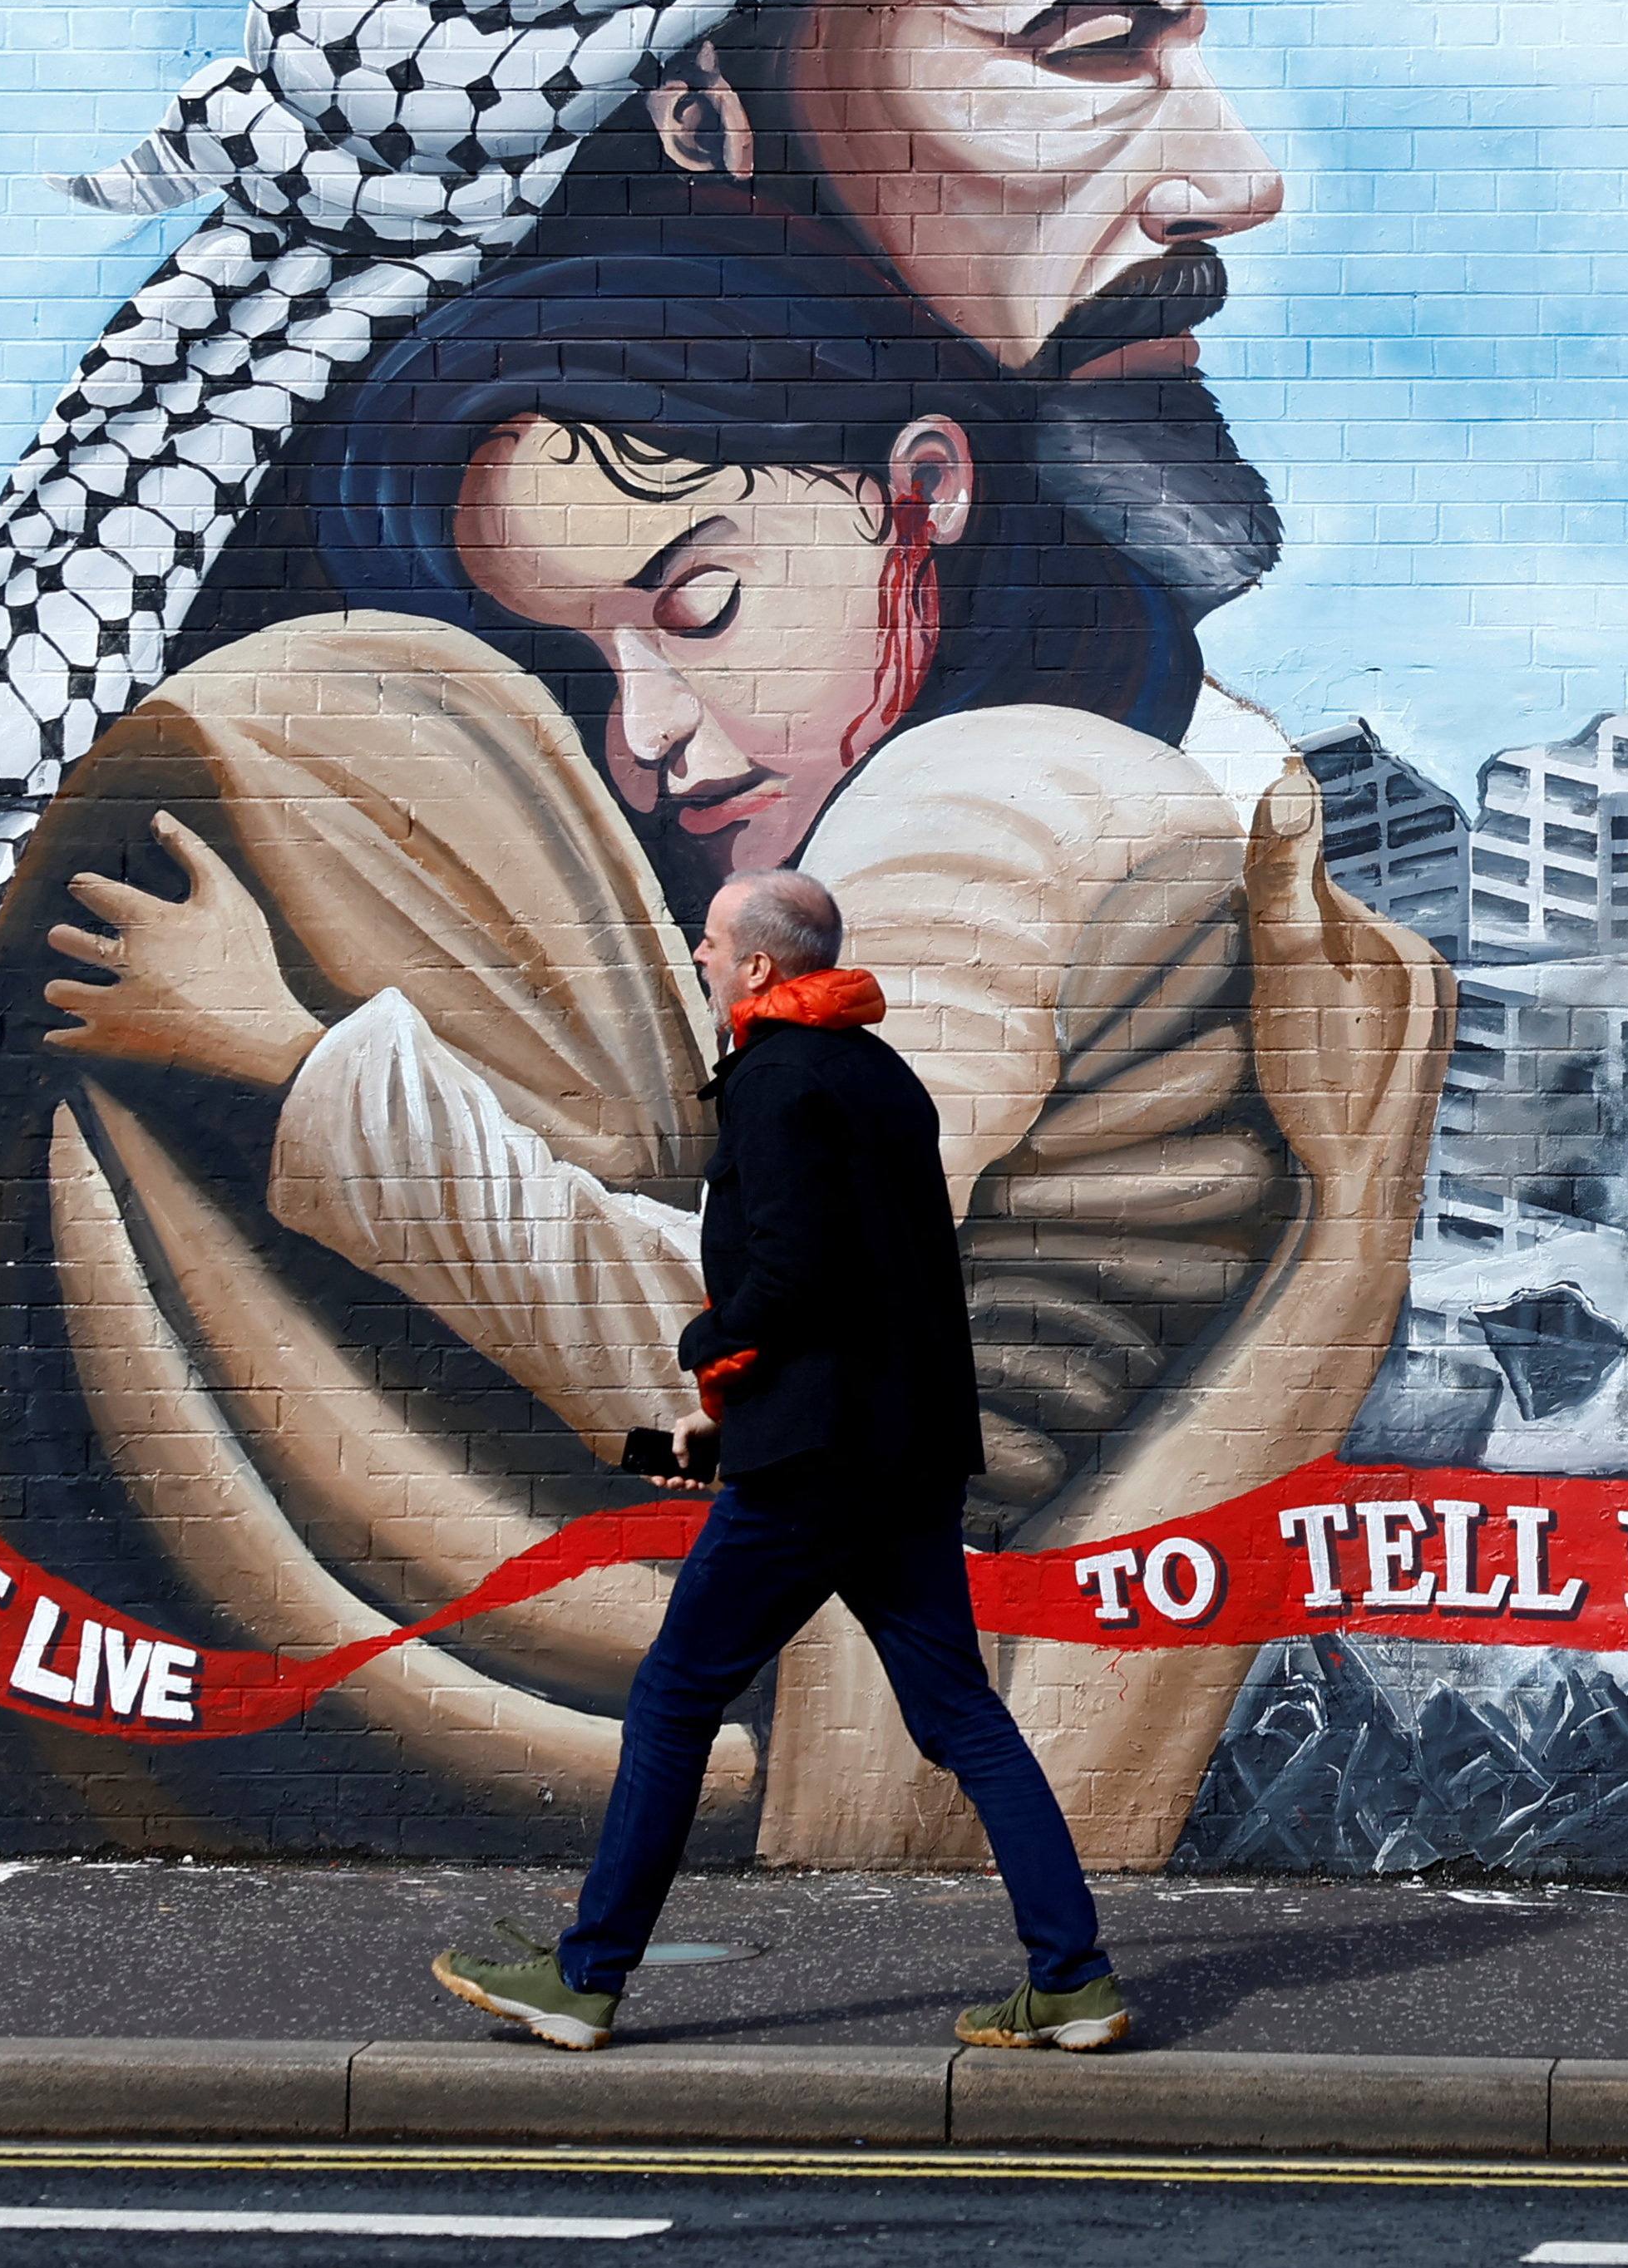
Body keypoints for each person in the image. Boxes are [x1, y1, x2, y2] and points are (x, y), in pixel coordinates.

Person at [0, 217, 1442, 1864]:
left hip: (859, 1546)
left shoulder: (982, 804)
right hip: (890, 1531)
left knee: (353, 716)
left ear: (922, 490)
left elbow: (727, 1333)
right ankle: (794, 1958)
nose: (646, 739)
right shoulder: (1017, 802)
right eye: (580, 665)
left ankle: (639, 1962)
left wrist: (285, 1050)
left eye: (699, 599)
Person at [431, 866, 1132, 2055]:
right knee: (959, 1713)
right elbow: (875, 1283)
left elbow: (794, 1272)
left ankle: (584, 1978)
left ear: (758, 965)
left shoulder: (775, 1078)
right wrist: (732, 1419)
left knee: (673, 1697)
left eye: (713, 943)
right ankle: (1074, 1980)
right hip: (902, 1452)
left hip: (815, 1470)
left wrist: (709, 1351)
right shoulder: (880, 1075)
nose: (701, 958)